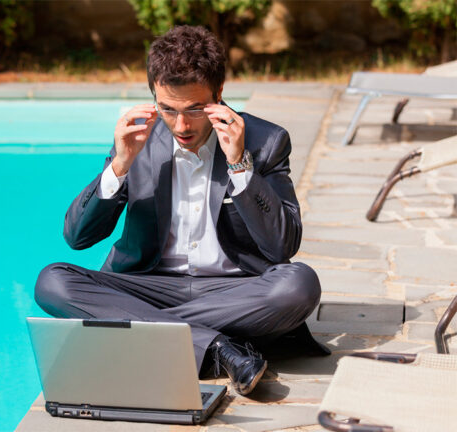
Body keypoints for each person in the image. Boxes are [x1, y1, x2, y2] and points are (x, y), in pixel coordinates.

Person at [34, 25, 328, 396]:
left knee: (299, 285)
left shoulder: (265, 141)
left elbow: (281, 247)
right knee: (52, 281)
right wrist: (120, 165)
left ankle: (136, 334)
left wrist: (240, 165)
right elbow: (77, 237)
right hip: (148, 286)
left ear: (219, 95)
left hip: (233, 292)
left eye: (194, 109)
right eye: (168, 109)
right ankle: (219, 347)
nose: (181, 125)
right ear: (153, 95)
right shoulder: (138, 139)